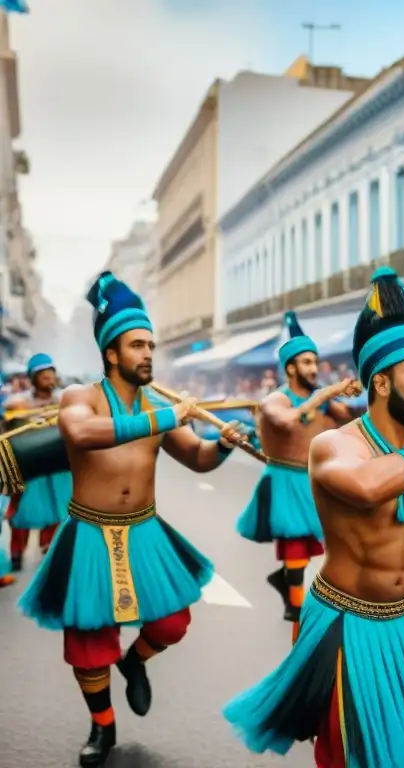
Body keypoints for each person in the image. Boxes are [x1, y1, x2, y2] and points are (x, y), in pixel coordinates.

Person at [223, 266, 404, 768]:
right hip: (349, 622)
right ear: (380, 382)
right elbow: (367, 488)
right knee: (356, 758)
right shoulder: (334, 446)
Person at [18, 271, 246, 767]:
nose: (147, 354)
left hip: (144, 529)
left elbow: (200, 459)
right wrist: (166, 417)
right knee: (87, 639)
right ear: (112, 353)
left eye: (150, 345)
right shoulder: (80, 398)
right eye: (137, 345)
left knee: (172, 622)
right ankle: (102, 726)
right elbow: (82, 435)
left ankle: (134, 662)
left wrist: (224, 444)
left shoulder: (157, 405)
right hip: (89, 532)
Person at [237, 311, 353, 635]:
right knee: (295, 545)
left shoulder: (325, 402)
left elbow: (353, 421)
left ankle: (286, 584)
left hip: (314, 480)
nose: (314, 369)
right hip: (284, 479)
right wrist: (324, 396)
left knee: (319, 544)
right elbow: (286, 422)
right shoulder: (276, 398)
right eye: (306, 362)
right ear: (290, 368)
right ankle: (297, 607)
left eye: (315, 362)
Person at [3, 352, 72, 570]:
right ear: (33, 378)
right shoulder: (18, 404)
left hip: (56, 464)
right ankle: (16, 551)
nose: (49, 379)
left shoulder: (65, 400)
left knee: (58, 505)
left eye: (51, 374)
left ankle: (49, 547)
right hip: (28, 465)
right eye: (43, 376)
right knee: (20, 508)